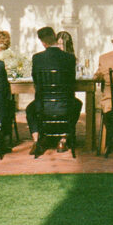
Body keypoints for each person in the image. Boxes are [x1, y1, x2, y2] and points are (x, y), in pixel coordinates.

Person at [26, 26, 81, 155]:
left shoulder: (37, 58)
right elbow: (71, 82)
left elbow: (35, 80)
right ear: (55, 37)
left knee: (29, 109)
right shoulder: (69, 58)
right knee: (77, 104)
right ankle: (63, 139)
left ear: (43, 42)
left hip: (43, 105)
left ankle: (36, 140)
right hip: (65, 104)